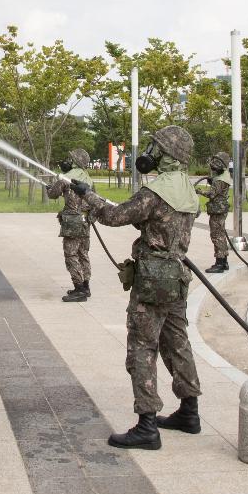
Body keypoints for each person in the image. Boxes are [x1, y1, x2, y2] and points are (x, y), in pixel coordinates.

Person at [72, 125, 203, 450]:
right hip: (176, 277)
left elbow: (115, 217)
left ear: (168, 155)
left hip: (153, 281)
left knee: (143, 347)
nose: (150, 153)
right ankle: (189, 411)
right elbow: (153, 220)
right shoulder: (187, 190)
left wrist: (88, 194)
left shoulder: (154, 193)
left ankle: (147, 425)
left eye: (156, 148)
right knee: (177, 343)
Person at [47, 148, 94, 302]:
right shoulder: (88, 178)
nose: (67, 161)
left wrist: (49, 188)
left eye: (70, 159)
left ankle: (79, 289)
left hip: (72, 222)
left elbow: (53, 194)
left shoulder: (66, 178)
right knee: (83, 253)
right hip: (85, 220)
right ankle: (85, 286)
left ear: (75, 162)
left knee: (71, 254)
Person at [195, 151, 231, 273]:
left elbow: (212, 193)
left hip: (218, 210)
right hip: (219, 209)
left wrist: (199, 191)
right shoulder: (223, 176)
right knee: (220, 235)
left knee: (217, 236)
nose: (213, 166)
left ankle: (220, 263)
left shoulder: (220, 180)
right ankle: (224, 261)